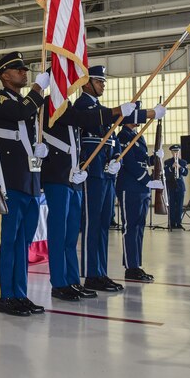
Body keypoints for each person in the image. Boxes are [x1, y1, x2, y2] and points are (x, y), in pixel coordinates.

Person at [41, 87, 143, 302]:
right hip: (57, 174)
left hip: (74, 175)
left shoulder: (69, 104)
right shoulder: (53, 103)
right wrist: (121, 111)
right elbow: (81, 119)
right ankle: (60, 283)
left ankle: (72, 280)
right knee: (60, 234)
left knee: (70, 235)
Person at [0, 51, 49, 317]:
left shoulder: (26, 104)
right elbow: (21, 110)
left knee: (23, 241)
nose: (24, 73)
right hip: (10, 181)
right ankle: (5, 296)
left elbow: (28, 127)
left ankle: (20, 293)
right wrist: (38, 88)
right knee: (8, 241)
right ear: (5, 75)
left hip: (30, 181)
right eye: (19, 70)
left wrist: (39, 164)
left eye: (25, 70)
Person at [73, 65, 130, 293]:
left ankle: (100, 271)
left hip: (106, 172)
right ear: (87, 83)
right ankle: (90, 274)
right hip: (92, 172)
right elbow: (88, 127)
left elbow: (113, 138)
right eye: (99, 81)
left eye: (103, 82)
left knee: (103, 224)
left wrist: (117, 158)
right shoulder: (82, 106)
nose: (103, 85)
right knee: (92, 224)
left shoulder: (101, 109)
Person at [116, 109, 167, 283]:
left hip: (141, 188)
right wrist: (147, 180)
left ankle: (136, 265)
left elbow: (142, 161)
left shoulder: (138, 136)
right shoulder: (123, 136)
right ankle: (130, 268)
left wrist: (155, 158)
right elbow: (129, 163)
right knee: (130, 228)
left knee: (139, 228)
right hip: (130, 187)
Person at [164, 144, 189, 230]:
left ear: (179, 152)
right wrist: (172, 167)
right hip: (171, 185)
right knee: (171, 205)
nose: (176, 153)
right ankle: (172, 223)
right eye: (174, 151)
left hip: (180, 186)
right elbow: (166, 173)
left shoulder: (183, 162)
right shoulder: (167, 162)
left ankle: (178, 223)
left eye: (177, 151)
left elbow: (185, 173)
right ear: (171, 152)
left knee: (179, 205)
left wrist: (180, 168)